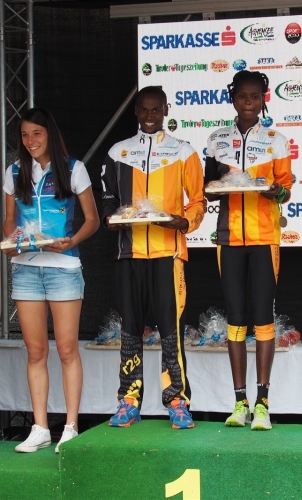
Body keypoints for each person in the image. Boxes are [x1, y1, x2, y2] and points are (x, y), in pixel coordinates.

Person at [101, 86, 205, 429]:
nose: (149, 116)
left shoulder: (183, 151)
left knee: (170, 330)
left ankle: (177, 400)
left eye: (156, 110)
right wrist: (110, 218)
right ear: (135, 111)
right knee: (130, 327)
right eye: (144, 110)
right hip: (129, 252)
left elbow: (198, 200)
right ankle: (128, 400)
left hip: (168, 254)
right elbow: (108, 197)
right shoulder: (118, 151)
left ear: (166, 111)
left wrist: (184, 222)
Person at [2, 107, 99, 453]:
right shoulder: (14, 171)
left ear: (50, 134)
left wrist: (70, 243)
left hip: (63, 268)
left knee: (68, 349)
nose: (31, 141)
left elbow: (92, 219)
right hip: (25, 269)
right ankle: (40, 427)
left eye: (37, 133)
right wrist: (12, 241)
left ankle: (70, 427)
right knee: (36, 351)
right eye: (25, 135)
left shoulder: (73, 169)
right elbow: (8, 223)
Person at [204, 70, 293, 431]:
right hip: (228, 239)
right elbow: (209, 189)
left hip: (264, 238)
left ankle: (263, 403)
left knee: (263, 318)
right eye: (242, 96)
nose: (248, 103)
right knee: (236, 319)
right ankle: (240, 402)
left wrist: (274, 191)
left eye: (255, 97)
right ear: (233, 98)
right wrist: (218, 187)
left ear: (263, 99)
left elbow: (285, 190)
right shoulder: (217, 140)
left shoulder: (276, 141)